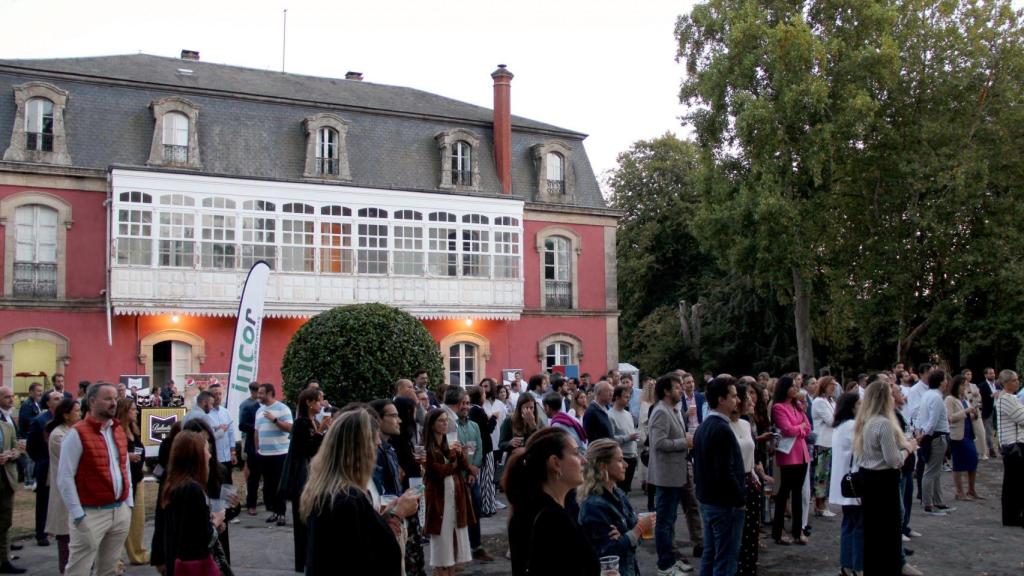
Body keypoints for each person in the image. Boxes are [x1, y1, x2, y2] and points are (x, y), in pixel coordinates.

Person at [301, 407, 417, 576]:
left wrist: (381, 518)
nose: (376, 450)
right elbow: (368, 557)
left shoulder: (328, 488)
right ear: (360, 449)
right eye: (374, 445)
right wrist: (399, 514)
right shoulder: (348, 497)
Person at [56, 382, 132, 576]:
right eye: (107, 398)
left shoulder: (117, 431)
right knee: (78, 570)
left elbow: (125, 468)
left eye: (115, 399)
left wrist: (127, 504)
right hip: (91, 513)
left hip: (119, 511)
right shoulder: (77, 434)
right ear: (91, 401)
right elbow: (65, 477)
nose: (113, 403)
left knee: (108, 569)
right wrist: (78, 514)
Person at [503, 426, 597, 576]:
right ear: (555, 463)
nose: (584, 460)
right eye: (576, 453)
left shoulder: (530, 508)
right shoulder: (553, 520)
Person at [853, 380, 919, 576]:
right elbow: (893, 460)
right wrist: (909, 448)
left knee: (874, 531)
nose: (894, 397)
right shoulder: (883, 424)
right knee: (888, 531)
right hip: (883, 481)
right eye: (891, 394)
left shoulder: (866, 421)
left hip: (869, 479)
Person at [578, 438, 654, 576]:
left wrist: (626, 535)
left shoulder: (618, 494)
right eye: (619, 460)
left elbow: (629, 540)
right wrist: (638, 530)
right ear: (603, 466)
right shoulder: (593, 506)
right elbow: (608, 555)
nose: (626, 465)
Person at [693, 375, 745, 576]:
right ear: (721, 400)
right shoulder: (721, 428)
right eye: (733, 396)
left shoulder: (704, 427)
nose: (738, 400)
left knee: (711, 554)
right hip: (724, 503)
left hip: (709, 500)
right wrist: (739, 498)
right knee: (725, 559)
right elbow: (726, 471)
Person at [648, 372, 697, 575]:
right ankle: (664, 565)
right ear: (666, 391)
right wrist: (683, 442)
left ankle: (671, 559)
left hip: (677, 472)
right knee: (665, 521)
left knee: (670, 521)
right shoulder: (660, 411)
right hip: (666, 475)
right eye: (677, 387)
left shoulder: (674, 410)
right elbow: (658, 443)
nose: (681, 390)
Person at [160, 431, 224, 576]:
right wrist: (216, 521)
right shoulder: (193, 490)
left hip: (178, 562)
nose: (210, 455)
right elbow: (201, 538)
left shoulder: (173, 485)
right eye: (206, 450)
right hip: (194, 566)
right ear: (197, 456)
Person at [423, 408, 475, 575]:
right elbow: (439, 471)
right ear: (431, 425)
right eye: (441, 420)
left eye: (446, 420)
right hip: (439, 498)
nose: (445, 423)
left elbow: (465, 468)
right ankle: (441, 571)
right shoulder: (427, 449)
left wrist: (461, 454)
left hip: (456, 495)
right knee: (442, 539)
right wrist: (454, 459)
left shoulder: (449, 442)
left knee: (455, 539)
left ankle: (451, 572)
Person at [283, 387, 327, 573]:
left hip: (309, 473)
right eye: (318, 400)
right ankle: (303, 561)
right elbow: (307, 449)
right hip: (301, 475)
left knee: (308, 521)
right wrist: (321, 430)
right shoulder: (302, 423)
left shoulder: (309, 421)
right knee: (303, 520)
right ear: (309, 402)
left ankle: (308, 558)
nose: (321, 404)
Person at [734, 380, 770, 576]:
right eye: (745, 396)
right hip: (737, 483)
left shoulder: (747, 424)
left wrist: (760, 474)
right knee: (737, 537)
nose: (750, 400)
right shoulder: (725, 426)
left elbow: (752, 453)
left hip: (751, 481)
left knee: (750, 536)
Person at [771, 375, 812, 545]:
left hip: (802, 453)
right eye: (792, 386)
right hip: (788, 454)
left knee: (798, 493)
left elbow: (807, 427)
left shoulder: (797, 406)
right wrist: (800, 428)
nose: (796, 389)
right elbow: (787, 429)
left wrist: (800, 429)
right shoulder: (779, 407)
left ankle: (797, 530)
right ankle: (778, 530)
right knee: (784, 492)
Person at [44, 399, 80, 574]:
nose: (79, 415)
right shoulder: (58, 435)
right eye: (76, 411)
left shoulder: (72, 431)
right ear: (66, 415)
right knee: (66, 536)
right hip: (63, 490)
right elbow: (76, 458)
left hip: (76, 489)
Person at [829, 392, 862, 576]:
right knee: (858, 525)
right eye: (859, 404)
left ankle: (847, 564)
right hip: (854, 482)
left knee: (849, 524)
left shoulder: (840, 426)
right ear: (852, 407)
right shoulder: (852, 426)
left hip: (844, 482)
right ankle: (857, 565)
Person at [116, 398, 148, 566]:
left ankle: (137, 552)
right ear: (124, 411)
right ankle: (116, 558)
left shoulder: (133, 429)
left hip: (138, 477)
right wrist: (128, 457)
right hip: (124, 479)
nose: (136, 412)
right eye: (133, 409)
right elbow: (113, 455)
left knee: (137, 519)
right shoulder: (116, 431)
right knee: (122, 520)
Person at [254, 383, 293, 525]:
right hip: (264, 454)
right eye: (258, 393)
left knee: (279, 484)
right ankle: (274, 512)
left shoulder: (283, 409)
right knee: (269, 485)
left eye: (261, 393)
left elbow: (290, 428)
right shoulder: (259, 411)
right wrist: (257, 448)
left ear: (270, 393)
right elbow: (256, 431)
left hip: (280, 453)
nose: (259, 396)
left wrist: (275, 420)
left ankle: (282, 513)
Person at [27, 390, 61, 547]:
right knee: (43, 500)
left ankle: (58, 530)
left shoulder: (65, 420)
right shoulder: (40, 421)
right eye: (56, 398)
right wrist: (41, 460)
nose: (60, 400)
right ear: (48, 403)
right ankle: (41, 533)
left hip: (62, 466)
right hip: (45, 465)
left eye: (62, 398)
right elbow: (31, 447)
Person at [148, 421, 182, 574]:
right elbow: (163, 462)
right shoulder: (168, 443)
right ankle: (162, 560)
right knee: (164, 524)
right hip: (168, 485)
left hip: (169, 485)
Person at [917, 370, 952, 515]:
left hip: (932, 435)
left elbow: (922, 416)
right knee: (931, 471)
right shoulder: (936, 398)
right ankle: (928, 503)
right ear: (940, 382)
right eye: (945, 380)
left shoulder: (928, 395)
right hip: (936, 437)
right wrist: (925, 434)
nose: (946, 382)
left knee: (935, 471)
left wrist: (921, 431)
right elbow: (933, 420)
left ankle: (938, 501)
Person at [995, 369, 1024, 526]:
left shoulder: (1012, 398)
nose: (1017, 382)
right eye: (1014, 380)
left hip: (1014, 444)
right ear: (1006, 383)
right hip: (1013, 446)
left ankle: (1014, 515)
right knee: (1014, 484)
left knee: (1015, 483)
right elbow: (1022, 418)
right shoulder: (1006, 399)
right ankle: (1012, 516)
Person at [0, 387, 24, 575]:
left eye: (12, 396)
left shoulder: (7, 425)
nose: (11, 400)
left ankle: (3, 560)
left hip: (6, 478)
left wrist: (15, 453)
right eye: (7, 397)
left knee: (5, 521)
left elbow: (15, 446)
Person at [946, 375, 981, 500]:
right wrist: (965, 411)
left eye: (966, 385)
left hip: (968, 433)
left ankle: (971, 490)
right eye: (962, 385)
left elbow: (966, 417)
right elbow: (950, 418)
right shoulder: (950, 399)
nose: (964, 388)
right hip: (958, 436)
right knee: (959, 463)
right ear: (956, 386)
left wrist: (974, 415)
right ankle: (959, 492)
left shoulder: (964, 399)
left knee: (973, 460)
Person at [467, 385, 498, 519]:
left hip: (480, 449)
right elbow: (487, 429)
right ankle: (486, 507)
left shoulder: (472, 410)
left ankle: (485, 506)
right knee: (487, 479)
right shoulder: (478, 411)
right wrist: (493, 418)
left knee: (483, 479)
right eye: (483, 394)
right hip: (485, 449)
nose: (485, 396)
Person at [811, 376, 837, 516]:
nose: (833, 387)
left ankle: (823, 502)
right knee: (821, 474)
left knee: (827, 474)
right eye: (831, 385)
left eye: (834, 385)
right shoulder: (819, 402)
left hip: (831, 441)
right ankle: (819, 505)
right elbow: (831, 420)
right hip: (822, 442)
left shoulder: (832, 401)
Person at [607, 384, 640, 493]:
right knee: (619, 490)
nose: (628, 399)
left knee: (626, 491)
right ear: (617, 398)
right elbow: (610, 439)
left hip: (632, 456)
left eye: (629, 396)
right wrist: (627, 437)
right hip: (621, 457)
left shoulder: (628, 414)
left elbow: (631, 432)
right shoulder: (610, 415)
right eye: (626, 397)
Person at [237, 381, 261, 515]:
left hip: (266, 445)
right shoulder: (246, 405)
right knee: (253, 476)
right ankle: (251, 504)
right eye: (257, 391)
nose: (259, 394)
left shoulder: (265, 405)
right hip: (252, 444)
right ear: (252, 391)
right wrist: (257, 428)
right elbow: (242, 425)